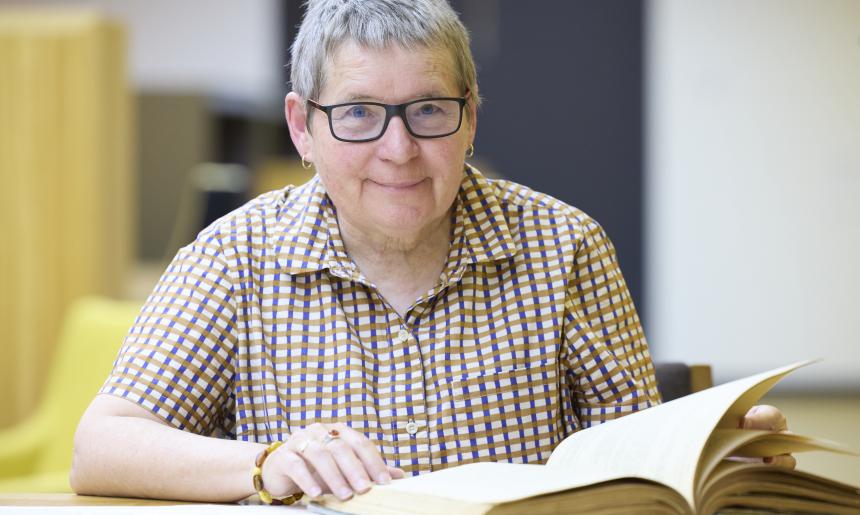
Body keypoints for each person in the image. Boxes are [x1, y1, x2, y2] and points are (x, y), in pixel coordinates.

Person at [70, 0, 794, 505]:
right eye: (358, 113)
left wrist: (705, 451)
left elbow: (638, 455)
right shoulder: (234, 256)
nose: (399, 150)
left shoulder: (565, 244)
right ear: (302, 126)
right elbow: (102, 447)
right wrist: (265, 463)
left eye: (428, 110)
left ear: (470, 115)